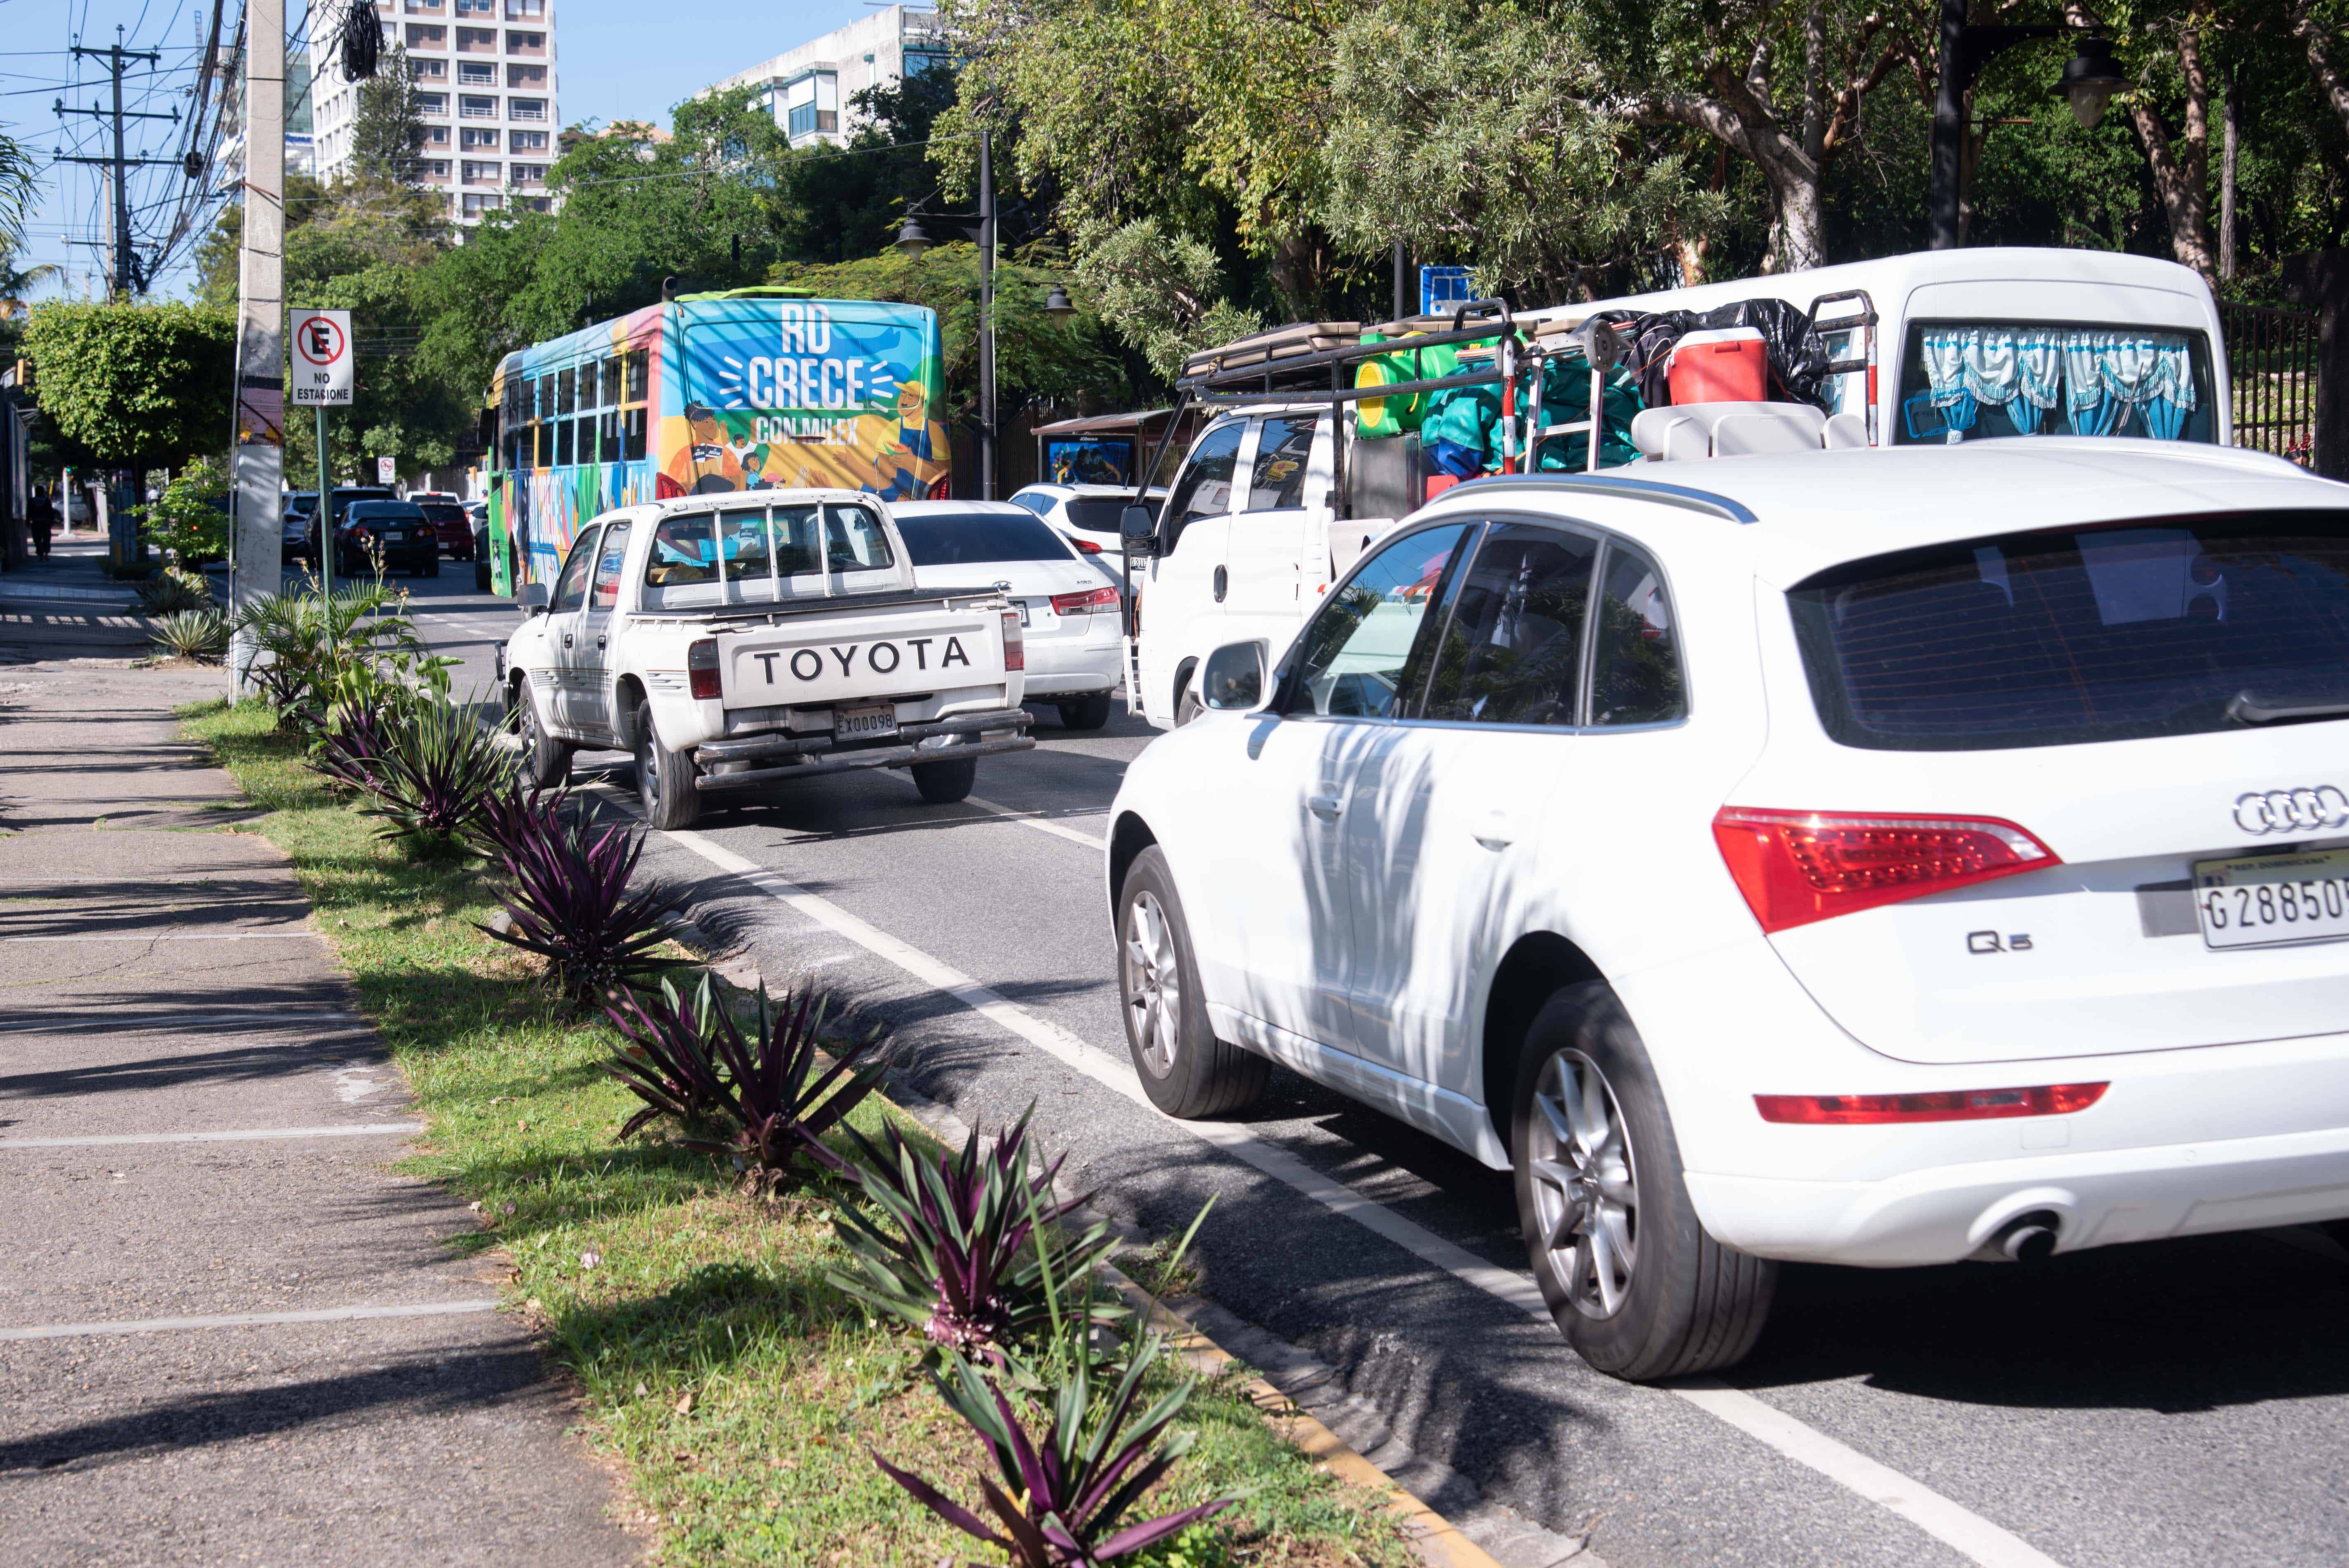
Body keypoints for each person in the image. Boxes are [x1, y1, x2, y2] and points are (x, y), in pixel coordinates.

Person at [27, 485, 57, 560]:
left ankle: (40, 553)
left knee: (37, 539)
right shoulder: (46, 500)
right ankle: (46, 554)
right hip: (46, 522)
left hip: (36, 522)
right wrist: (52, 521)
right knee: (46, 538)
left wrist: (28, 521)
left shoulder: (32, 501)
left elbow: (28, 512)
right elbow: (51, 511)